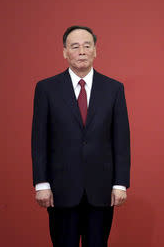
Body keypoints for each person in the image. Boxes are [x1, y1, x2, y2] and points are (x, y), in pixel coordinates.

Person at [31, 25, 131, 247]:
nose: (82, 51)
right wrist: (41, 183)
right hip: (61, 189)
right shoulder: (47, 89)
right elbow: (39, 140)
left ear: (96, 50)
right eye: (75, 46)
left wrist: (120, 183)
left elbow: (121, 140)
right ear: (65, 52)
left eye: (87, 46)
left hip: (101, 189)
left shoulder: (114, 89)